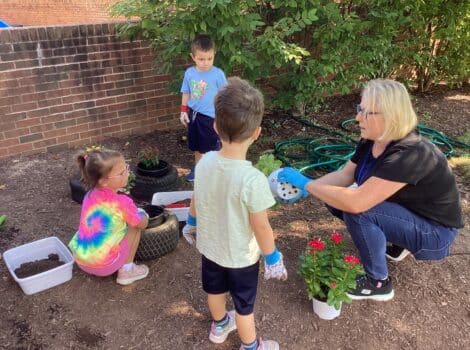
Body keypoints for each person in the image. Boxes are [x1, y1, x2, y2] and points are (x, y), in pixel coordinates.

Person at [279, 78, 463, 301]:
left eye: (365, 112)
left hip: (436, 232)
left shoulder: (410, 153)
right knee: (335, 197)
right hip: (412, 213)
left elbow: (357, 202)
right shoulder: (371, 140)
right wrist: (311, 186)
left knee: (358, 209)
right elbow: (345, 175)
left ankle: (378, 282)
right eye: (359, 109)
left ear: (389, 115)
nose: (357, 117)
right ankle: (396, 242)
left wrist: (307, 184)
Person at [182, 77, 287, 350]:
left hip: (210, 249)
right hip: (241, 258)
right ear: (257, 133)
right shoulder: (252, 180)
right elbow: (261, 227)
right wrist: (273, 258)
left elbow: (196, 197)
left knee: (214, 291)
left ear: (215, 126)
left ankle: (219, 325)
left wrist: (190, 223)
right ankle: (251, 345)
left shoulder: (203, 163)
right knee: (244, 306)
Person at [69, 148, 150, 286]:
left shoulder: (90, 195)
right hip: (104, 266)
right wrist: (143, 215)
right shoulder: (122, 202)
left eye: (126, 168)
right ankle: (127, 271)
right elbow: (142, 224)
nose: (127, 173)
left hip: (81, 259)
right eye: (121, 172)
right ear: (103, 181)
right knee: (135, 225)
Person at [180, 34, 228, 181]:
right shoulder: (190, 73)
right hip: (193, 115)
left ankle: (215, 174)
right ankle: (198, 170)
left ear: (214, 55)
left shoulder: (218, 74)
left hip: (211, 118)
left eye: (209, 58)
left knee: (212, 148)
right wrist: (183, 111)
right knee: (197, 146)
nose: (206, 63)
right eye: (201, 59)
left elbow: (225, 96)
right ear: (193, 57)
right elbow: (186, 92)